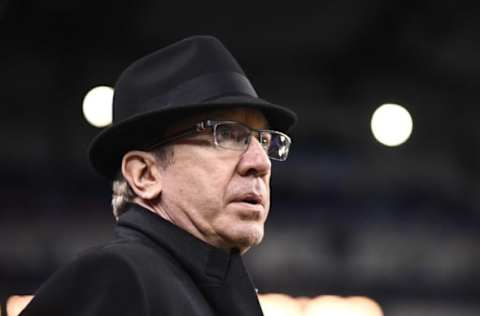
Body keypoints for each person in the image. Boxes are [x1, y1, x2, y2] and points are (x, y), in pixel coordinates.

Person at [20, 35, 297, 316]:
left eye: (263, 141)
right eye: (227, 134)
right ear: (144, 175)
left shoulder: (196, 289)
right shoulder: (119, 278)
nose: (261, 162)